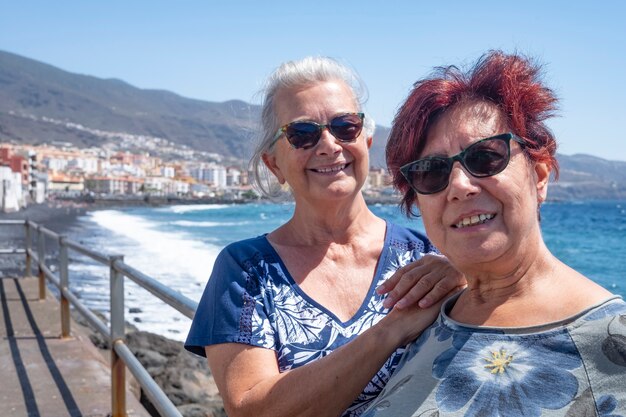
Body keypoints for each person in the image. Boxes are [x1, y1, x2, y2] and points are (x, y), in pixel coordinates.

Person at [184, 56, 466, 417]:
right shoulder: (245, 271)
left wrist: (469, 275)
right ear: (275, 164)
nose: (329, 144)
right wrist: (389, 331)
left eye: (344, 126)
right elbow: (251, 410)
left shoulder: (429, 256)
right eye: (302, 133)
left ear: (365, 140)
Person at [362, 50, 626, 417]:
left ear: (540, 175)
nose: (459, 185)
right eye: (430, 172)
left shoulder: (612, 344)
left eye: (485, 157)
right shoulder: (424, 320)